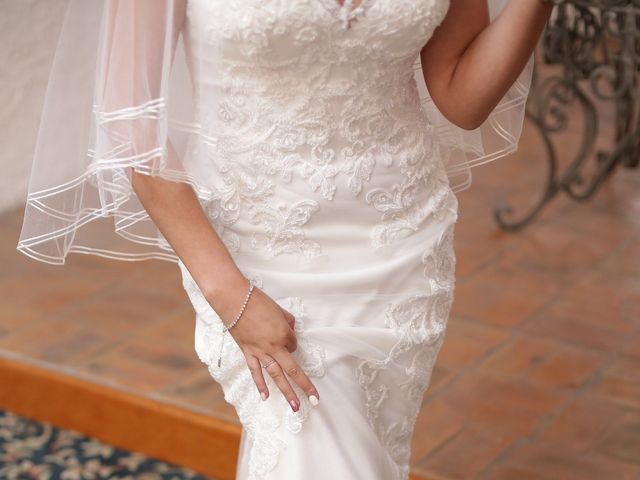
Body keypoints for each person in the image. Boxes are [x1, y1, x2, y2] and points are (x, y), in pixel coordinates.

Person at [18, 0, 553, 478]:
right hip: (257, 254)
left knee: (358, 452)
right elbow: (131, 125)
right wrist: (228, 293)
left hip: (402, 242)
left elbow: (461, 95)